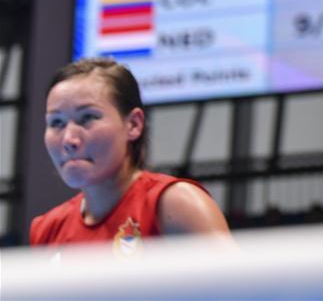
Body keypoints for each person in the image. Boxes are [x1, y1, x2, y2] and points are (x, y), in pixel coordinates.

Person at [30, 57, 231, 250]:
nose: (68, 140)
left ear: (134, 124)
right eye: (56, 123)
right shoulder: (47, 230)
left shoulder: (176, 204)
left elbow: (239, 284)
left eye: (87, 118)